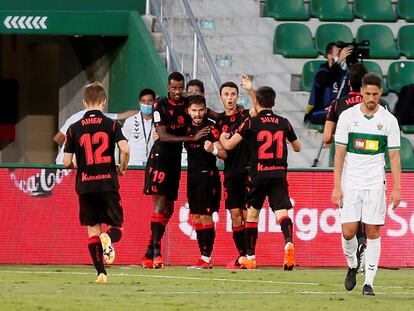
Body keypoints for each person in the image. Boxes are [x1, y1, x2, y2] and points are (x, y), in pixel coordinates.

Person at [332, 73, 401, 296]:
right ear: (361, 92)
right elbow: (339, 154)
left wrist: (397, 187)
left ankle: (368, 283)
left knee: (373, 230)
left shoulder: (389, 120)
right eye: (367, 93)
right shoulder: (347, 117)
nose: (371, 98)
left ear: (381, 93)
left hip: (374, 182)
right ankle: (353, 263)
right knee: (348, 231)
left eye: (375, 94)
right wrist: (336, 185)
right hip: (351, 181)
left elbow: (394, 156)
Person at [220, 86, 301, 270]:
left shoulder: (252, 122)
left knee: (253, 215)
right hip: (279, 173)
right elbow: (298, 147)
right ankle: (288, 242)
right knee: (282, 213)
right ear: (274, 102)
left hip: (258, 174)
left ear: (256, 102)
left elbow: (230, 145)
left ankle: (250, 257)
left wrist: (224, 137)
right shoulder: (284, 122)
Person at [63, 82, 130, 284]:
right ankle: (108, 237)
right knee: (117, 228)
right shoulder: (111, 124)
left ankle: (101, 274)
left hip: (85, 185)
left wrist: (77, 164)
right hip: (108, 183)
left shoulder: (73, 128)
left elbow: (66, 162)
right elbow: (125, 149)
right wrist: (122, 167)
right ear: (104, 101)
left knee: (92, 230)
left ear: (84, 102)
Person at [141, 72, 209, 269]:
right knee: (160, 203)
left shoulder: (187, 103)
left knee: (169, 208)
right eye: (174, 88)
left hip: (175, 160)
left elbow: (208, 113)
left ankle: (148, 252)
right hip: (160, 157)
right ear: (168, 86)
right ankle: (156, 254)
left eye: (181, 88)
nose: (178, 92)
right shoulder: (159, 105)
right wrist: (191, 139)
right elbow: (162, 136)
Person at [323, 62, 369, 273]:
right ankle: (364, 244)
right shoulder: (374, 105)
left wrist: (342, 137)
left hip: (347, 165)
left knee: (350, 212)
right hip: (370, 164)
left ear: (348, 82)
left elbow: (326, 138)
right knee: (367, 210)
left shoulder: (337, 104)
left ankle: (356, 252)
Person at [184, 95, 227, 269]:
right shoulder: (185, 127)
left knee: (205, 215)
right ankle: (203, 256)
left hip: (207, 175)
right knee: (195, 216)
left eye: (201, 110)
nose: (197, 114)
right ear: (188, 111)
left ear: (205, 109)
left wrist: (214, 149)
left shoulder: (211, 128)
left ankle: (206, 257)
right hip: (192, 175)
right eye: (194, 110)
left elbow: (225, 153)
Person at [215, 81, 251, 269]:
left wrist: (250, 89)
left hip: (248, 172)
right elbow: (223, 152)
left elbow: (259, 109)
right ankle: (242, 256)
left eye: (233, 94)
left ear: (238, 96)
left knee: (247, 215)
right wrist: (215, 150)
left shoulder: (245, 116)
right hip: (230, 174)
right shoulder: (219, 122)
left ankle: (251, 256)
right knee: (235, 216)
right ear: (221, 97)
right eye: (226, 94)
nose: (230, 98)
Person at [54, 105, 136, 164]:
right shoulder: (77, 118)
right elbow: (58, 138)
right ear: (103, 103)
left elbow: (121, 116)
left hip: (74, 165)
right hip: (69, 166)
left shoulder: (103, 117)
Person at [304, 42, 353, 125]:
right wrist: (339, 61)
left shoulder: (345, 73)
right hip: (319, 112)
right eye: (339, 53)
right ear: (329, 56)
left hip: (339, 112)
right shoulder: (321, 72)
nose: (342, 57)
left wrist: (354, 64)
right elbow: (326, 80)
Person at [122, 88, 156, 165]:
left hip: (154, 165)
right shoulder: (130, 121)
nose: (146, 104)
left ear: (154, 102)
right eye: (143, 101)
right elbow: (123, 145)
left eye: (150, 101)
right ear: (139, 103)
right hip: (134, 165)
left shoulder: (160, 122)